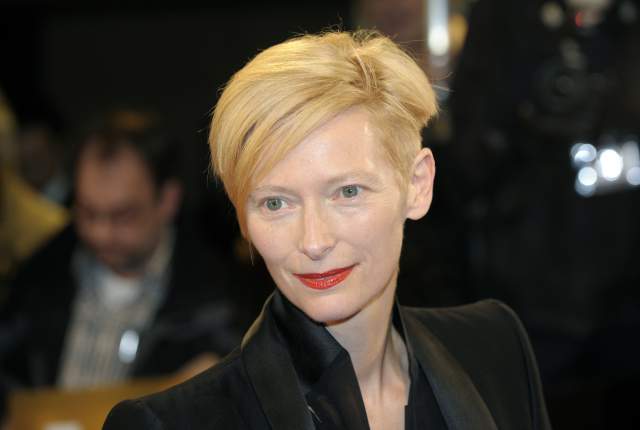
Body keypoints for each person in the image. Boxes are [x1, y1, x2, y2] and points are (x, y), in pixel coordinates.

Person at [104, 31, 551, 429]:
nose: (314, 241)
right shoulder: (171, 423)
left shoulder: (495, 348)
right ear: (242, 217)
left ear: (417, 185)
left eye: (347, 192)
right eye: (275, 203)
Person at [0, 110, 241, 388]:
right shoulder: (36, 279)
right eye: (88, 212)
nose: (100, 233)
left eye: (123, 216)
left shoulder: (215, 304)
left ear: (167, 200)